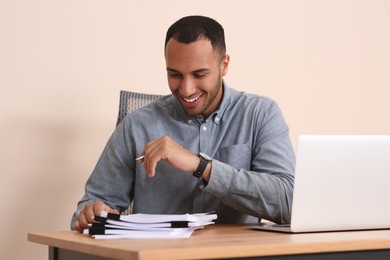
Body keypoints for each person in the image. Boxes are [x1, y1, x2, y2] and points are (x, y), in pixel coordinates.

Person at [71, 15, 295, 232]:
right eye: (175, 74)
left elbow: (289, 204)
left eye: (200, 74)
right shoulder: (137, 125)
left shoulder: (260, 114)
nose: (186, 89)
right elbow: (89, 207)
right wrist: (92, 212)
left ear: (224, 65)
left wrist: (201, 166)